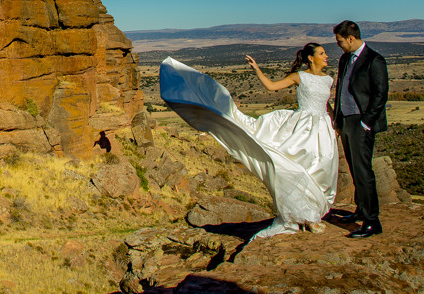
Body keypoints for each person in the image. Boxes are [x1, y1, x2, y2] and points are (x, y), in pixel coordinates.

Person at [160, 43, 338, 240]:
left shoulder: (328, 79)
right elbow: (271, 86)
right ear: (311, 58)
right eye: (322, 53)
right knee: (300, 167)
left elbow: (326, 105)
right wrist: (257, 69)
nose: (326, 56)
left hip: (323, 128)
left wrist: (334, 123)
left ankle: (312, 212)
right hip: (302, 128)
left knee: (322, 167)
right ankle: (307, 216)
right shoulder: (299, 77)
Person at [331, 20, 389, 238]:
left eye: (340, 41)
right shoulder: (345, 59)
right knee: (354, 169)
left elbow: (380, 94)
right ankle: (360, 210)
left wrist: (366, 122)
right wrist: (338, 120)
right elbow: (341, 89)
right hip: (346, 121)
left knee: (364, 171)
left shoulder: (374, 60)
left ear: (351, 38)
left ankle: (372, 222)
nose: (338, 45)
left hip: (361, 123)